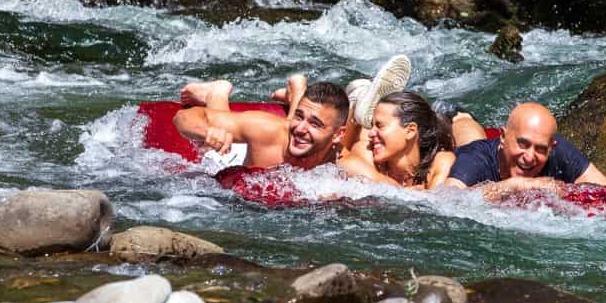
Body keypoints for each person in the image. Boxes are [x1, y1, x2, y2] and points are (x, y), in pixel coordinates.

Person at [443, 102, 606, 198]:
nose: (529, 157)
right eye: (523, 144)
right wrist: (517, 185)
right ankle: (457, 113)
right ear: (503, 137)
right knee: (470, 137)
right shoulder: (474, 159)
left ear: (551, 147)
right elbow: (447, 199)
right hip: (477, 148)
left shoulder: (560, 152)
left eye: (541, 149)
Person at [173, 75, 350, 169]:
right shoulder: (264, 130)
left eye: (315, 124)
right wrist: (207, 132)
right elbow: (182, 118)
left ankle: (297, 90)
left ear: (338, 135)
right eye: (298, 115)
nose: (301, 128)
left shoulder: (341, 163)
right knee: (221, 153)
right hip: (237, 159)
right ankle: (216, 92)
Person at [337, 91, 456, 189]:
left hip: (451, 118)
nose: (371, 133)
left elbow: (438, 202)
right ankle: (356, 105)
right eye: (372, 126)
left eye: (380, 125)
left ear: (410, 131)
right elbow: (344, 164)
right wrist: (402, 192)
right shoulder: (366, 151)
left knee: (464, 124)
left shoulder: (441, 160)